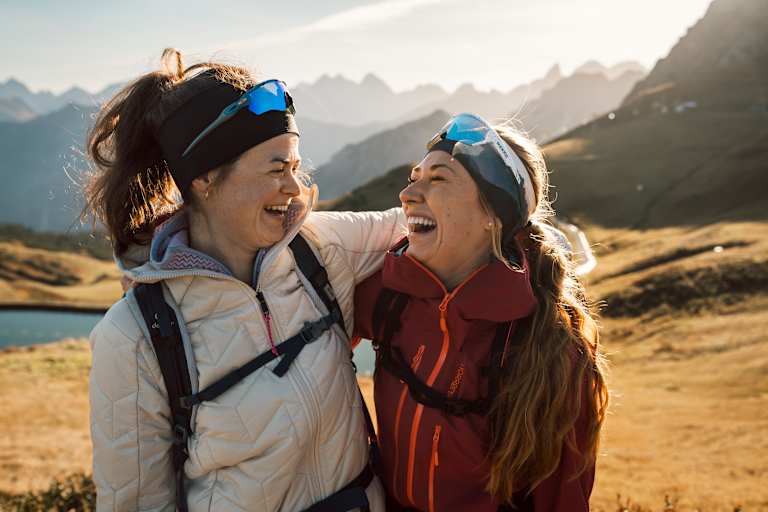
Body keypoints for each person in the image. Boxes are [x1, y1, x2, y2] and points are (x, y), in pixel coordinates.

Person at [84, 49, 405, 511]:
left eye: (295, 167)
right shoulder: (134, 337)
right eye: (276, 169)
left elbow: (427, 223)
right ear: (205, 178)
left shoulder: (318, 247)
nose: (295, 188)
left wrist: (517, 195)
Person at [353, 113, 609, 511]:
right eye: (414, 177)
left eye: (438, 179)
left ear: (493, 213)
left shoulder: (551, 348)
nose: (407, 194)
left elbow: (563, 499)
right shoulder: (388, 294)